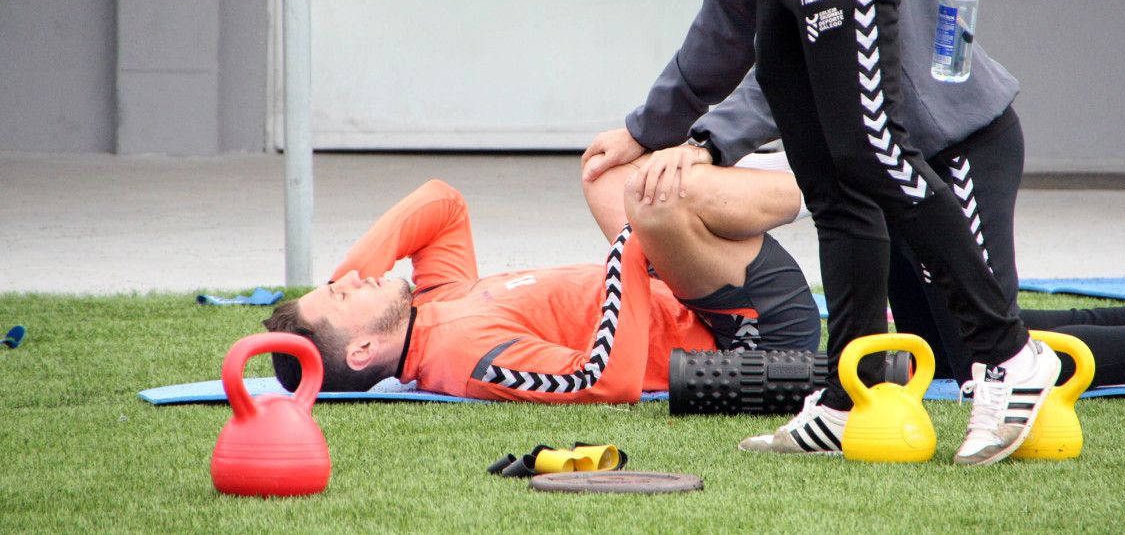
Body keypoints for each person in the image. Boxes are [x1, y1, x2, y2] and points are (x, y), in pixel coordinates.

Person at [589, 0, 1050, 466]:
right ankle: (849, 394)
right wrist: (645, 129)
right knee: (835, 183)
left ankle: (1013, 355)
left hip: (951, 124)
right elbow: (720, 30)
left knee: (872, 156)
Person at [262, 173, 819, 402]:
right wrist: (631, 248)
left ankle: (778, 181)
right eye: (341, 296)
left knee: (605, 171)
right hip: (747, 335)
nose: (354, 278)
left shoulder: (429, 308)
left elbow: (441, 203)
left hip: (688, 295)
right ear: (362, 350)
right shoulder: (465, 355)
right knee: (662, 200)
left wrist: (345, 283)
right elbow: (605, 383)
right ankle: (833, 188)